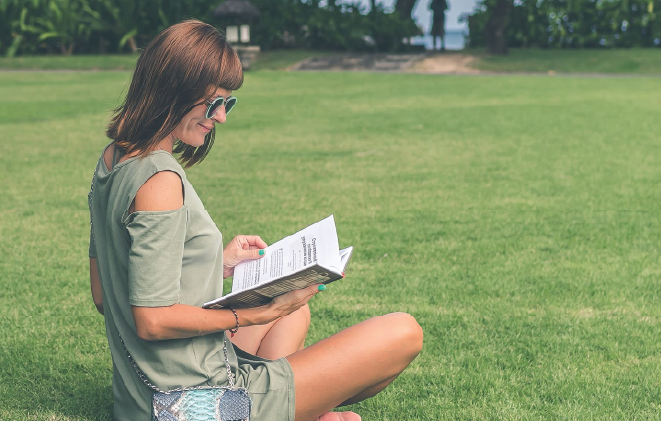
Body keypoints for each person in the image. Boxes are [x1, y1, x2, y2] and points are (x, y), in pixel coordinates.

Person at [87, 20, 423, 421]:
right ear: (173, 91)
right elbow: (153, 320)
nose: (221, 118)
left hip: (140, 400)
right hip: (189, 405)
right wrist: (251, 315)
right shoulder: (159, 179)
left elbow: (106, 294)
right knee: (402, 333)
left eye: (227, 104)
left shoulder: (113, 159)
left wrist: (218, 263)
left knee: (294, 314)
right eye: (214, 104)